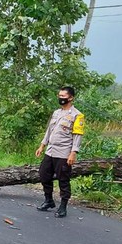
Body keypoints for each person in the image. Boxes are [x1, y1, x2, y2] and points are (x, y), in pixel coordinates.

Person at [35, 86, 84, 218]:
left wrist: (73, 152)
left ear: (71, 98)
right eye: (59, 96)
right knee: (44, 174)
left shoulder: (77, 115)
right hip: (51, 150)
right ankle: (49, 200)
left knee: (63, 179)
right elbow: (49, 131)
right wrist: (42, 145)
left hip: (64, 152)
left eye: (63, 96)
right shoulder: (57, 113)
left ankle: (63, 206)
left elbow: (77, 136)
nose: (60, 98)